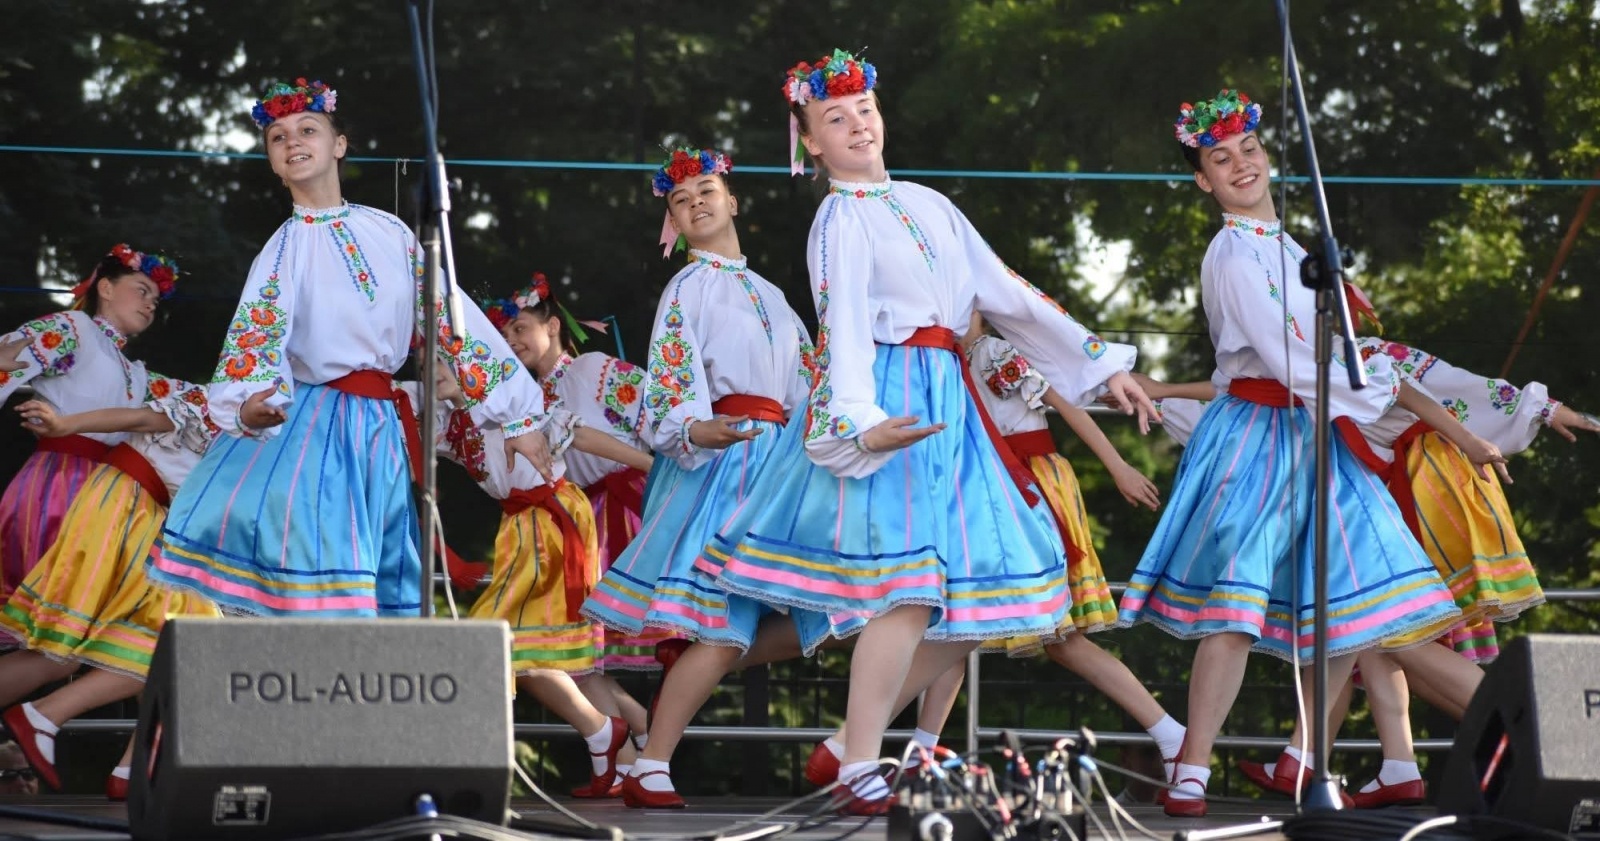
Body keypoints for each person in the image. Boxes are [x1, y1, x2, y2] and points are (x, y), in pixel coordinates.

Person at [710, 50, 1158, 814]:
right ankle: (857, 762)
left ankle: (848, 748)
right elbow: (842, 319)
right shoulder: (838, 215)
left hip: (949, 396)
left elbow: (1006, 289)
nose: (857, 125)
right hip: (891, 394)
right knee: (910, 589)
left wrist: (1095, 361)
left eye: (864, 111)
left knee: (986, 591)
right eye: (835, 118)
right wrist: (861, 421)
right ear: (811, 142)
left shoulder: (928, 201)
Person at [1114, 89, 1464, 817]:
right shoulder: (1233, 252)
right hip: (1261, 434)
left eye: (1249, 150)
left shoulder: (1292, 247)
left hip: (1313, 432)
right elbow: (1286, 361)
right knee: (1235, 608)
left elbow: (1327, 352)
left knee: (1357, 599)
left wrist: (1385, 393)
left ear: (1267, 156)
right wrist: (1373, 396)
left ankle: (1310, 756)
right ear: (1203, 180)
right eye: (1221, 157)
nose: (1241, 163)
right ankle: (1194, 765)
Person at [146, 78, 553, 617]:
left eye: (307, 130)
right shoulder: (283, 248)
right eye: (277, 137)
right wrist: (247, 403)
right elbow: (256, 333)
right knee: (323, 573)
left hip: (379, 429)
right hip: (315, 425)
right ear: (272, 162)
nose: (292, 142)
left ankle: (362, 690)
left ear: (338, 144)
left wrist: (519, 418)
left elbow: (450, 319)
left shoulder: (390, 231)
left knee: (371, 573)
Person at [805, 315, 1184, 795]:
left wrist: (1117, 465)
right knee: (955, 621)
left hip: (1027, 486)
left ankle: (1171, 734)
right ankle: (914, 751)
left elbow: (1062, 401)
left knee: (1057, 637)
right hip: (983, 489)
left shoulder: (992, 354)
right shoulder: (938, 365)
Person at [581, 147, 820, 809]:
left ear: (734, 200)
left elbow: (808, 383)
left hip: (776, 463)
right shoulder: (688, 285)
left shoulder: (770, 292)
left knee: (822, 615)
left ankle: (674, 692)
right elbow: (672, 370)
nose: (695, 204)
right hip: (728, 458)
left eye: (706, 190)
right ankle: (652, 761)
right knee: (725, 625)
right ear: (675, 223)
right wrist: (692, 427)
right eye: (680, 201)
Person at [479, 276, 656, 796]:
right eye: (504, 334)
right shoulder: (521, 395)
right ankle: (629, 744)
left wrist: (665, 471)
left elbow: (658, 410)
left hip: (622, 510)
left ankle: (629, 746)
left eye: (522, 327)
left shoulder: (593, 367)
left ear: (554, 326)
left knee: (583, 651)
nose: (512, 341)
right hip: (576, 518)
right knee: (579, 654)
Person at [0, 387, 221, 800]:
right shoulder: (224, 400)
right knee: (182, 640)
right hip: (127, 505)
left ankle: (130, 768)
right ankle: (52, 722)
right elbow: (140, 419)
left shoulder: (276, 439)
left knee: (65, 651)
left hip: (148, 515)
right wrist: (66, 425)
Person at [0, 244, 178, 599]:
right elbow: (4, 362)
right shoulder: (75, 327)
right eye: (142, 291)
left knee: (72, 622)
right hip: (58, 482)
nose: (150, 304)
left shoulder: (139, 375)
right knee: (44, 608)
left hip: (105, 495)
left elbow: (206, 404)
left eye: (156, 301)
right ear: (106, 288)